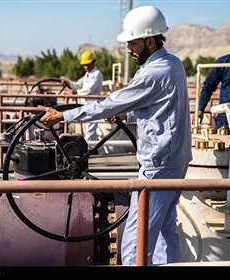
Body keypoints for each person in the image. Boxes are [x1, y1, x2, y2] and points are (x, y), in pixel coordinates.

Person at [38, 5, 192, 265]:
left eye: (132, 42)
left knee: (135, 242)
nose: (128, 49)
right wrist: (128, 116)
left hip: (158, 167)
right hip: (177, 161)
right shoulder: (173, 63)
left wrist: (63, 116)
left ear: (150, 41)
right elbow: (162, 108)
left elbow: (109, 104)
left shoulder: (155, 73)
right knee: (166, 233)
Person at [61, 51, 103, 142]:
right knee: (86, 129)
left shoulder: (97, 74)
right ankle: (89, 151)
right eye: (84, 65)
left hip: (93, 105)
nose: (86, 67)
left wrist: (76, 92)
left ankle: (89, 151)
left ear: (93, 62)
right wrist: (69, 83)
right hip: (85, 105)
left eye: (88, 64)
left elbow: (89, 89)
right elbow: (79, 84)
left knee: (90, 131)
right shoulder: (87, 75)